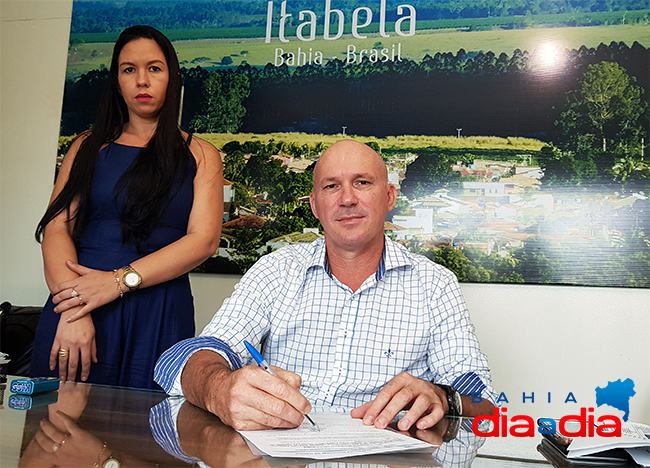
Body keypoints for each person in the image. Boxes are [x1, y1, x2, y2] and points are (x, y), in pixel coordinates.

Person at [155, 140, 496, 430]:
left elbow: (488, 405)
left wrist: (443, 396)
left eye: (362, 182)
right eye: (331, 186)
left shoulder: (435, 285)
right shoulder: (278, 270)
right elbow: (189, 358)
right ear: (315, 205)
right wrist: (219, 387)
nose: (347, 199)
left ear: (389, 197)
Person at [30, 25, 223, 390]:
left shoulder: (201, 154)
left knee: (148, 437)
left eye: (154, 68)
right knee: (56, 436)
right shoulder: (87, 146)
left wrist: (117, 282)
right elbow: (56, 230)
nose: (142, 81)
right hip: (79, 303)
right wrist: (74, 308)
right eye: (128, 69)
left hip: (160, 312)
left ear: (172, 77)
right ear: (117, 80)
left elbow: (203, 241)